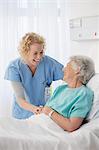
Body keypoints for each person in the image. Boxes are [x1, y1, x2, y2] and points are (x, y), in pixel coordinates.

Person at [4, 32, 64, 119]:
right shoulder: (14, 67)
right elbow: (20, 99)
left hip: (44, 113)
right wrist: (36, 109)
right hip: (22, 114)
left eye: (41, 52)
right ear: (25, 52)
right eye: (35, 53)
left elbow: (68, 76)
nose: (39, 57)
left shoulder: (48, 63)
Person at [41, 55, 95, 132]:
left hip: (49, 130)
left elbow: (71, 126)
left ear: (78, 70)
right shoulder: (60, 89)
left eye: (67, 66)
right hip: (39, 122)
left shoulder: (84, 94)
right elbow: (46, 109)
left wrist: (50, 112)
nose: (63, 69)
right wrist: (42, 110)